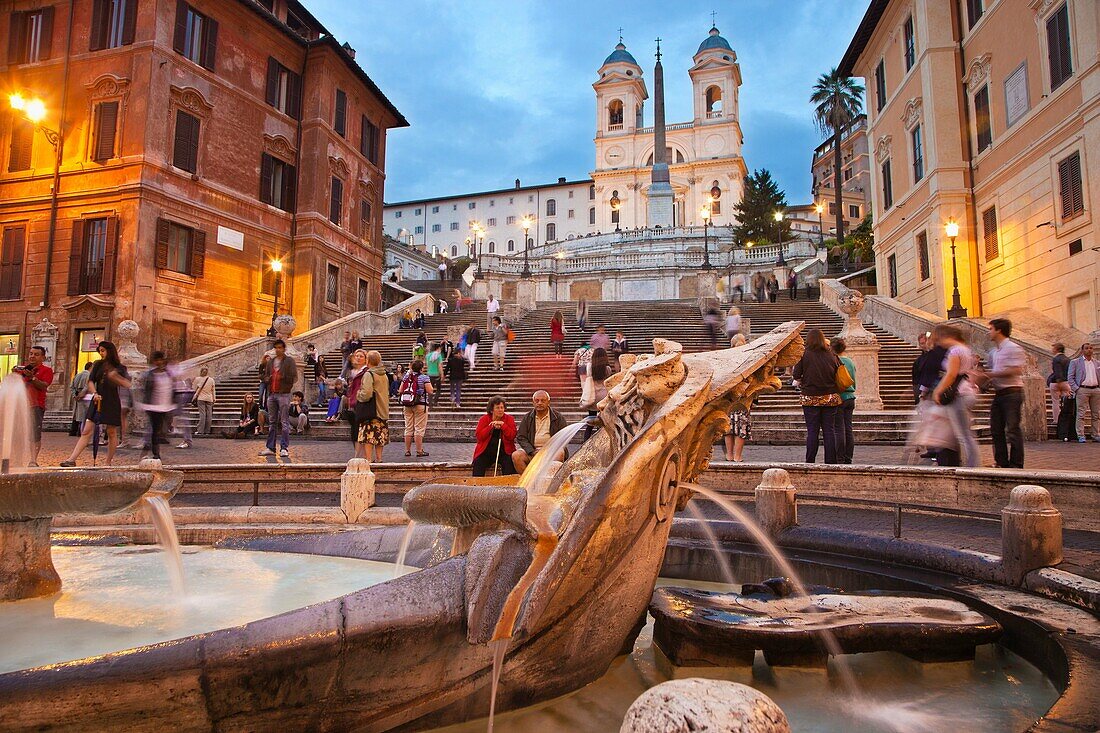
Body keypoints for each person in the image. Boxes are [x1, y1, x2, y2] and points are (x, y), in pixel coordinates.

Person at [61, 341, 129, 466]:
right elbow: (91, 381)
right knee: (86, 430)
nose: (101, 353)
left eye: (103, 350)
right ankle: (71, 459)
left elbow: (127, 384)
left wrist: (116, 378)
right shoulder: (98, 364)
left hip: (112, 401)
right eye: (100, 351)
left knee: (111, 432)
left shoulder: (120, 368)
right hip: (97, 399)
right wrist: (94, 393)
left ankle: (108, 462)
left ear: (110, 351)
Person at [930, 324, 980, 467]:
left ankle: (973, 467)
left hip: (959, 393)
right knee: (960, 432)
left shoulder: (955, 351)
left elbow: (951, 374)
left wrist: (938, 391)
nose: (939, 343)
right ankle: (952, 460)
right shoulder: (965, 349)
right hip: (966, 391)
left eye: (940, 339)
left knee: (965, 435)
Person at [791, 328, 842, 464]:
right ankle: (831, 461)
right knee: (829, 430)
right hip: (830, 396)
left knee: (812, 431)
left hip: (810, 397)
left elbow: (796, 375)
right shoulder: (831, 354)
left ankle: (810, 460)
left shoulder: (804, 354)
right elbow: (839, 371)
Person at [984, 318, 1026, 468]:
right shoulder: (994, 351)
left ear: (999, 330)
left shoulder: (1013, 348)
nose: (989, 332)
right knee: (996, 429)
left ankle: (1016, 464)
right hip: (999, 393)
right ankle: (1001, 462)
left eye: (990, 329)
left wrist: (992, 375)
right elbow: (991, 372)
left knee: (1013, 429)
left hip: (1012, 393)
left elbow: (1017, 370)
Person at [258, 339, 298, 458]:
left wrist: (282, 377)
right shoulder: (271, 362)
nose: (278, 350)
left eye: (280, 347)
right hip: (272, 394)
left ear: (284, 349)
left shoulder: (289, 361)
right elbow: (264, 375)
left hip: (283, 394)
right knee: (272, 422)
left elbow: (294, 377)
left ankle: (284, 448)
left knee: (284, 422)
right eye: (276, 348)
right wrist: (267, 379)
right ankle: (270, 447)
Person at [15, 345, 54, 465]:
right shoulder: (21, 370)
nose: (32, 356)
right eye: (31, 354)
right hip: (20, 406)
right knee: (17, 432)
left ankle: (33, 460)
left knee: (35, 434)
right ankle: (17, 458)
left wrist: (32, 378)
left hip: (36, 405)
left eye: (36, 354)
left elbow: (44, 385)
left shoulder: (47, 370)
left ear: (43, 357)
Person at [512, 390, 568, 473]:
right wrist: (532, 451)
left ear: (548, 402)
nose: (539, 403)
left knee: (559, 453)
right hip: (532, 451)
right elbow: (521, 437)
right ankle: (528, 482)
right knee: (516, 455)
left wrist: (548, 450)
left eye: (543, 400)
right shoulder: (527, 417)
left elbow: (564, 436)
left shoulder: (558, 417)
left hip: (551, 451)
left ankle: (551, 482)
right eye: (537, 401)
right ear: (533, 402)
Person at [356, 350, 390, 463]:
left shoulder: (369, 374)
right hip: (383, 410)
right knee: (380, 435)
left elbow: (366, 393)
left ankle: (369, 459)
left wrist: (358, 395)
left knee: (369, 436)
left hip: (371, 410)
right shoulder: (384, 375)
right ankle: (379, 459)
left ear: (368, 361)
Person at [472, 395, 517, 476]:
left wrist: (503, 425)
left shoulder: (509, 419)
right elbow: (479, 436)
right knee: (478, 462)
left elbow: (512, 435)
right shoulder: (484, 419)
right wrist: (490, 426)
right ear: (492, 410)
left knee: (509, 463)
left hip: (504, 452)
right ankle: (476, 485)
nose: (500, 410)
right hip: (486, 451)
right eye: (497, 408)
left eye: (502, 407)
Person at [399, 360, 433, 457]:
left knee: (408, 428)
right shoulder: (424, 377)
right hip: (420, 404)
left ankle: (407, 450)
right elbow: (430, 391)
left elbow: (401, 390)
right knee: (419, 428)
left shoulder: (406, 377)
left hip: (407, 404)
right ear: (421, 368)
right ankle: (419, 450)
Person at [831, 338, 857, 464]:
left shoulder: (835, 361)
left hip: (840, 397)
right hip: (851, 396)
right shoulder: (850, 362)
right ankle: (849, 457)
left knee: (838, 429)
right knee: (848, 428)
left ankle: (839, 457)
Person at [1068, 342, 1100, 443]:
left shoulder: (1097, 363)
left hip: (1095, 389)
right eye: (1086, 348)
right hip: (1082, 389)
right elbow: (1070, 377)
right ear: (1082, 350)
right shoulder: (1075, 362)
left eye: (1091, 348)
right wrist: (1076, 389)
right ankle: (1080, 435)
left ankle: (1095, 434)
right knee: (1081, 414)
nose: (1089, 350)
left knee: (1096, 414)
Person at [344, 349, 370, 458]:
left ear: (365, 359)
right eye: (357, 356)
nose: (358, 358)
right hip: (353, 402)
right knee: (355, 430)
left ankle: (362, 455)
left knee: (360, 430)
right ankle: (358, 454)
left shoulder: (366, 372)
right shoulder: (353, 371)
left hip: (361, 403)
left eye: (361, 356)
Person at [581, 347, 610, 441]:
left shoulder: (589, 367)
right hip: (603, 396)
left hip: (592, 396)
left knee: (590, 423)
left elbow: (588, 378)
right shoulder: (607, 368)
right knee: (602, 422)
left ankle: (585, 443)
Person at [1049, 343, 1071, 426]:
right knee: (1066, 402)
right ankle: (1065, 419)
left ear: (1057, 349)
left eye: (1054, 348)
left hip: (1056, 382)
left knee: (1055, 402)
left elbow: (1057, 371)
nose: (1052, 350)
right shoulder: (1068, 359)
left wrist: (1059, 380)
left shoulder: (1056, 359)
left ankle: (1056, 420)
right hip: (1066, 382)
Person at [70, 361, 93, 437]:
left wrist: (74, 395)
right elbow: (87, 386)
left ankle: (74, 430)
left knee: (78, 415)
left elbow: (72, 386)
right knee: (83, 416)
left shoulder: (77, 375)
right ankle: (81, 432)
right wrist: (81, 395)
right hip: (85, 397)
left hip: (77, 396)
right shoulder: (89, 375)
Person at [193, 366, 216, 435]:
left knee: (202, 414)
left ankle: (200, 431)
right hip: (209, 399)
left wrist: (194, 397)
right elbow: (213, 390)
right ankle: (207, 431)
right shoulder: (211, 380)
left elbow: (195, 389)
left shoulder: (198, 379)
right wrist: (214, 398)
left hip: (201, 398)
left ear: (201, 371)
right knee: (209, 415)